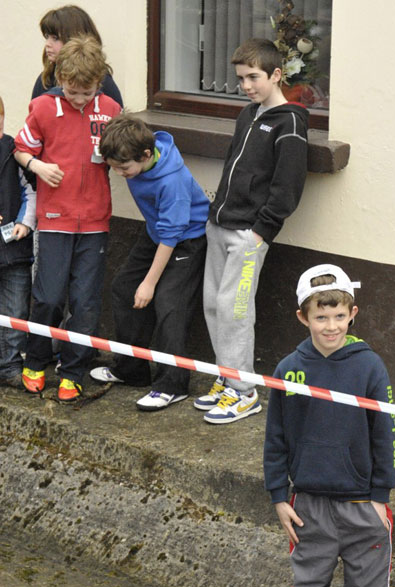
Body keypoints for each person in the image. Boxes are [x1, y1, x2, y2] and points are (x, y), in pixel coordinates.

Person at [263, 264, 395, 587]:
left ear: (352, 313)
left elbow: (386, 434)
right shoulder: (289, 369)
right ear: (304, 318)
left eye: (339, 316)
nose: (331, 326)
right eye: (321, 317)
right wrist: (279, 495)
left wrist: (381, 494)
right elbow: (276, 437)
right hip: (309, 507)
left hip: (364, 506)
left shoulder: (369, 366)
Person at [193, 37, 308, 425]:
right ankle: (228, 380)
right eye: (241, 78)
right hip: (219, 227)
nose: (246, 86)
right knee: (213, 305)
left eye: (253, 77)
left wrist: (262, 231)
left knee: (235, 310)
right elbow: (232, 167)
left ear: (276, 75)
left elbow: (287, 186)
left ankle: (245, 393)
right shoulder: (248, 115)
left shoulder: (289, 122)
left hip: (248, 236)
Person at [14, 35, 122, 403]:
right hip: (55, 219)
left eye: (86, 92)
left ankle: (73, 371)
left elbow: (122, 154)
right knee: (48, 296)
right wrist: (39, 166)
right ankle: (37, 360)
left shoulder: (110, 109)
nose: (79, 99)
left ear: (100, 81)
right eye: (72, 91)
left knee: (86, 301)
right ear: (61, 79)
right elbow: (21, 149)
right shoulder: (43, 107)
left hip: (96, 221)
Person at [89, 114, 209, 412]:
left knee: (168, 304)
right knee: (123, 288)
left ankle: (173, 384)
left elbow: (172, 236)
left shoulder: (172, 181)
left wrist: (150, 283)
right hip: (156, 231)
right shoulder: (135, 155)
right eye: (113, 167)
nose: (119, 173)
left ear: (146, 155)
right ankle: (132, 370)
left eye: (123, 168)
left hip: (186, 240)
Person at [0, 96, 36, 388]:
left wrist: (26, 222)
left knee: (15, 311)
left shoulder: (14, 152)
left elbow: (30, 192)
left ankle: (11, 365)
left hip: (14, 249)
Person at [31, 4, 123, 106]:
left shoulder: (102, 81)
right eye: (47, 37)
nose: (47, 44)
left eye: (55, 38)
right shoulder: (45, 79)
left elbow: (118, 117)